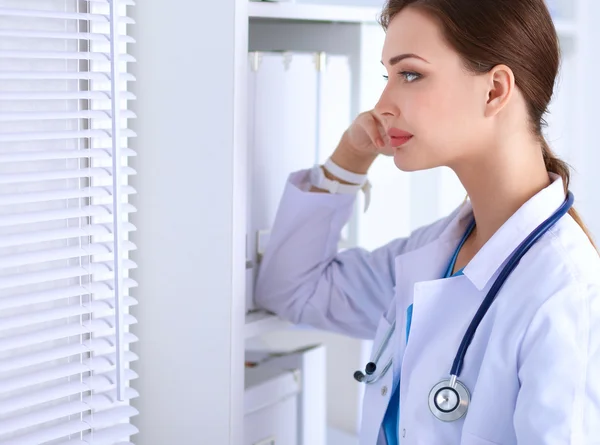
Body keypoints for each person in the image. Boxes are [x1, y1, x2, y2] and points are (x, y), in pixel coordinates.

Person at [254, 0, 600, 444]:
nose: (381, 105)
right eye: (387, 76)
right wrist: (351, 156)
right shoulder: (440, 250)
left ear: (494, 91)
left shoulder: (566, 296)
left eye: (411, 74)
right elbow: (291, 289)